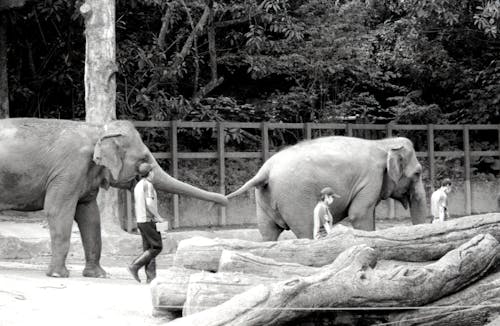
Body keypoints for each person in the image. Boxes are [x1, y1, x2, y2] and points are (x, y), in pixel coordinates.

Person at [128, 163, 168, 283]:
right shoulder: (148, 185)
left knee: (148, 249)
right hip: (148, 220)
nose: (154, 173)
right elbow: (150, 204)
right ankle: (134, 266)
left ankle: (151, 278)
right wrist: (158, 217)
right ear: (150, 172)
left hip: (141, 220)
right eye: (153, 171)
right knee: (157, 247)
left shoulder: (139, 185)